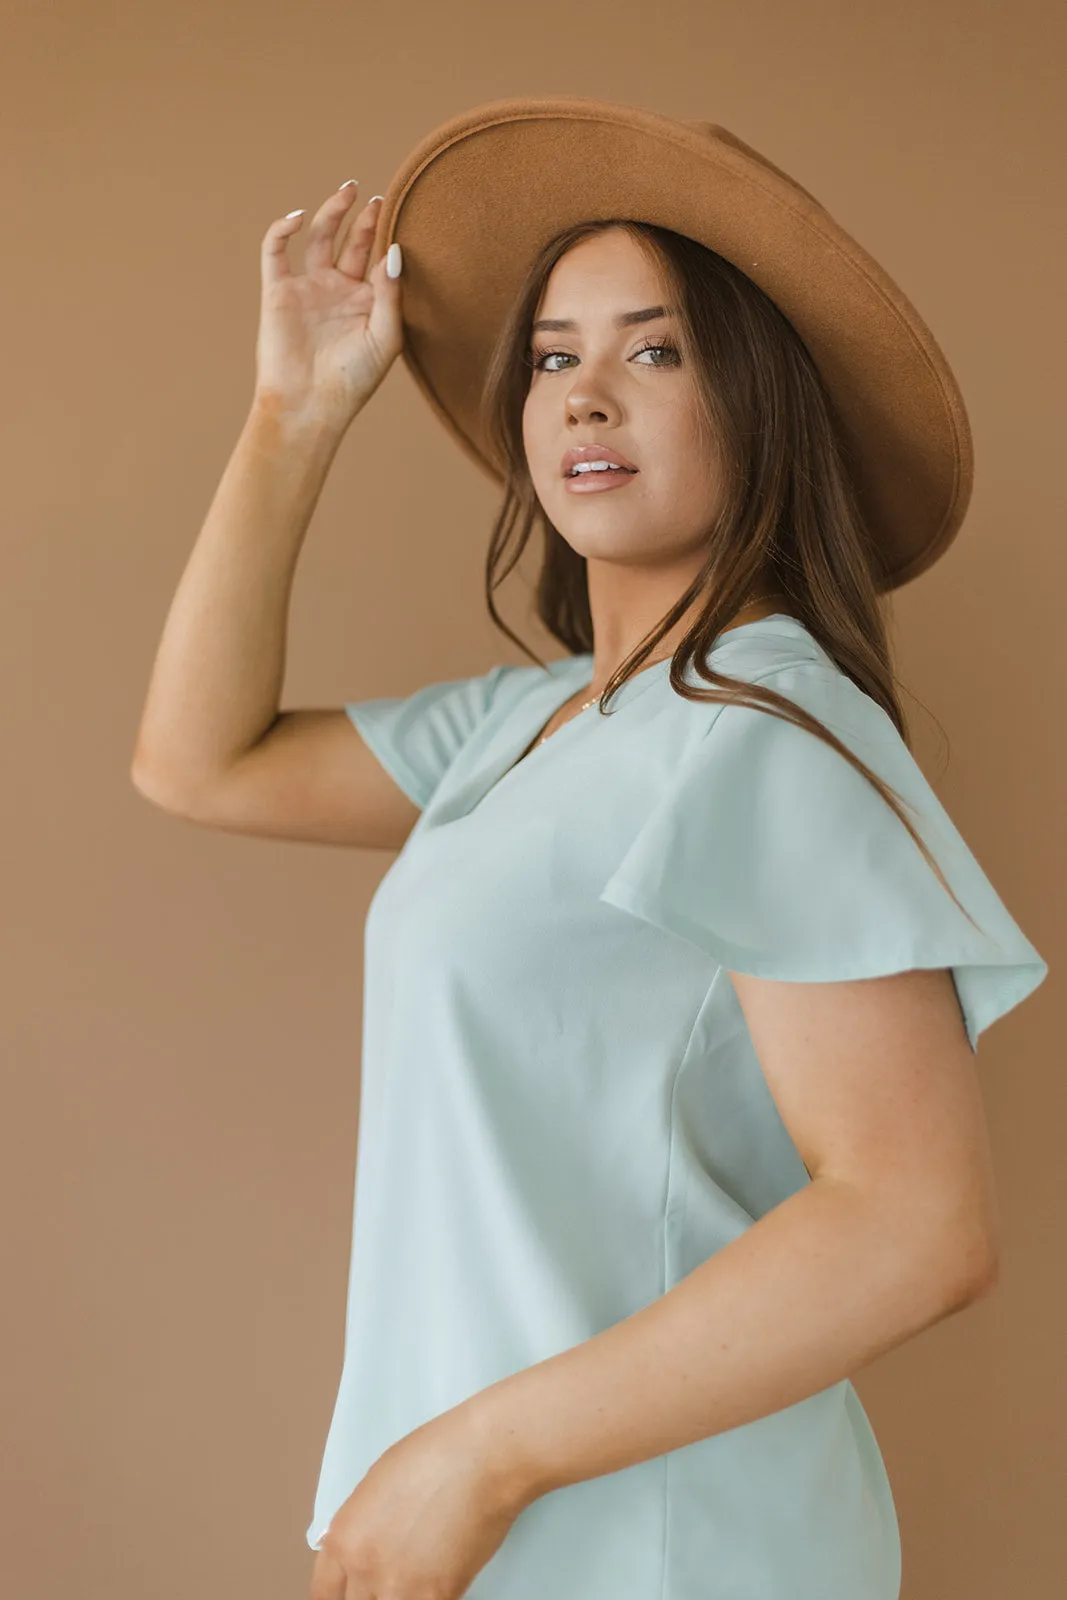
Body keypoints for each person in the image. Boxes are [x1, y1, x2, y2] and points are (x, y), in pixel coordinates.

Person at [131, 97, 1049, 1600]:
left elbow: (913, 1221)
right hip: (500, 1532)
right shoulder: (534, 724)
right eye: (554, 355)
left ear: (761, 400)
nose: (581, 397)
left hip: (656, 1544)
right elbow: (197, 760)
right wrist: (295, 415)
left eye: (655, 348)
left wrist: (474, 1460)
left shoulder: (766, 731)